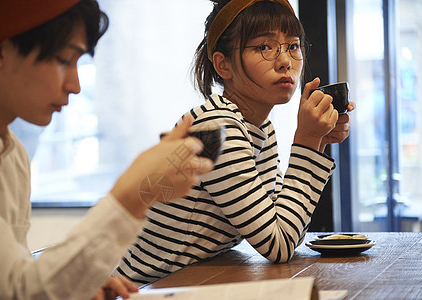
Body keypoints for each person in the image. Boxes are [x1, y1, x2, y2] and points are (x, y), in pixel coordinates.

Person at [0, 0, 214, 299]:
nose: (75, 85)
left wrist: (74, 283)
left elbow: (14, 277)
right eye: (63, 59)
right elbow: (18, 292)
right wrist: (134, 194)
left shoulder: (12, 155)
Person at [115, 0, 355, 285]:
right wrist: (306, 142)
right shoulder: (218, 127)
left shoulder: (259, 127)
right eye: (264, 47)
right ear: (223, 64)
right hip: (145, 289)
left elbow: (287, 226)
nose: (285, 61)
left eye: (293, 45)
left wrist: (317, 144)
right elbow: (279, 245)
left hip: (192, 283)